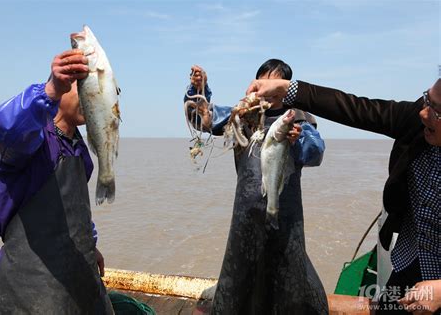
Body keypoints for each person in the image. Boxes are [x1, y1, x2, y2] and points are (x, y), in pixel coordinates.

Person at [246, 77, 441, 314]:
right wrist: (287, 89)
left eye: (436, 112)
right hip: (410, 259)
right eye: (426, 100)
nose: (423, 113)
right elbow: (356, 108)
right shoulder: (417, 121)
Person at [184, 60, 328, 314]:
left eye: (273, 85)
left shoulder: (298, 120)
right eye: (262, 83)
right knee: (241, 276)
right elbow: (202, 118)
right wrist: (199, 89)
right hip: (245, 218)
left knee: (287, 273)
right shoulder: (242, 115)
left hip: (287, 218)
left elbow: (315, 154)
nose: (266, 91)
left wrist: (298, 138)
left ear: (284, 88)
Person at [0, 49, 114, 314]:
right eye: (81, 86)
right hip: (29, 287)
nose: (91, 96)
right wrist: (48, 91)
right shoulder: (32, 139)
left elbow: (72, 211)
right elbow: (5, 129)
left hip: (77, 281)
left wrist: (90, 248)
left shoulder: (80, 149)